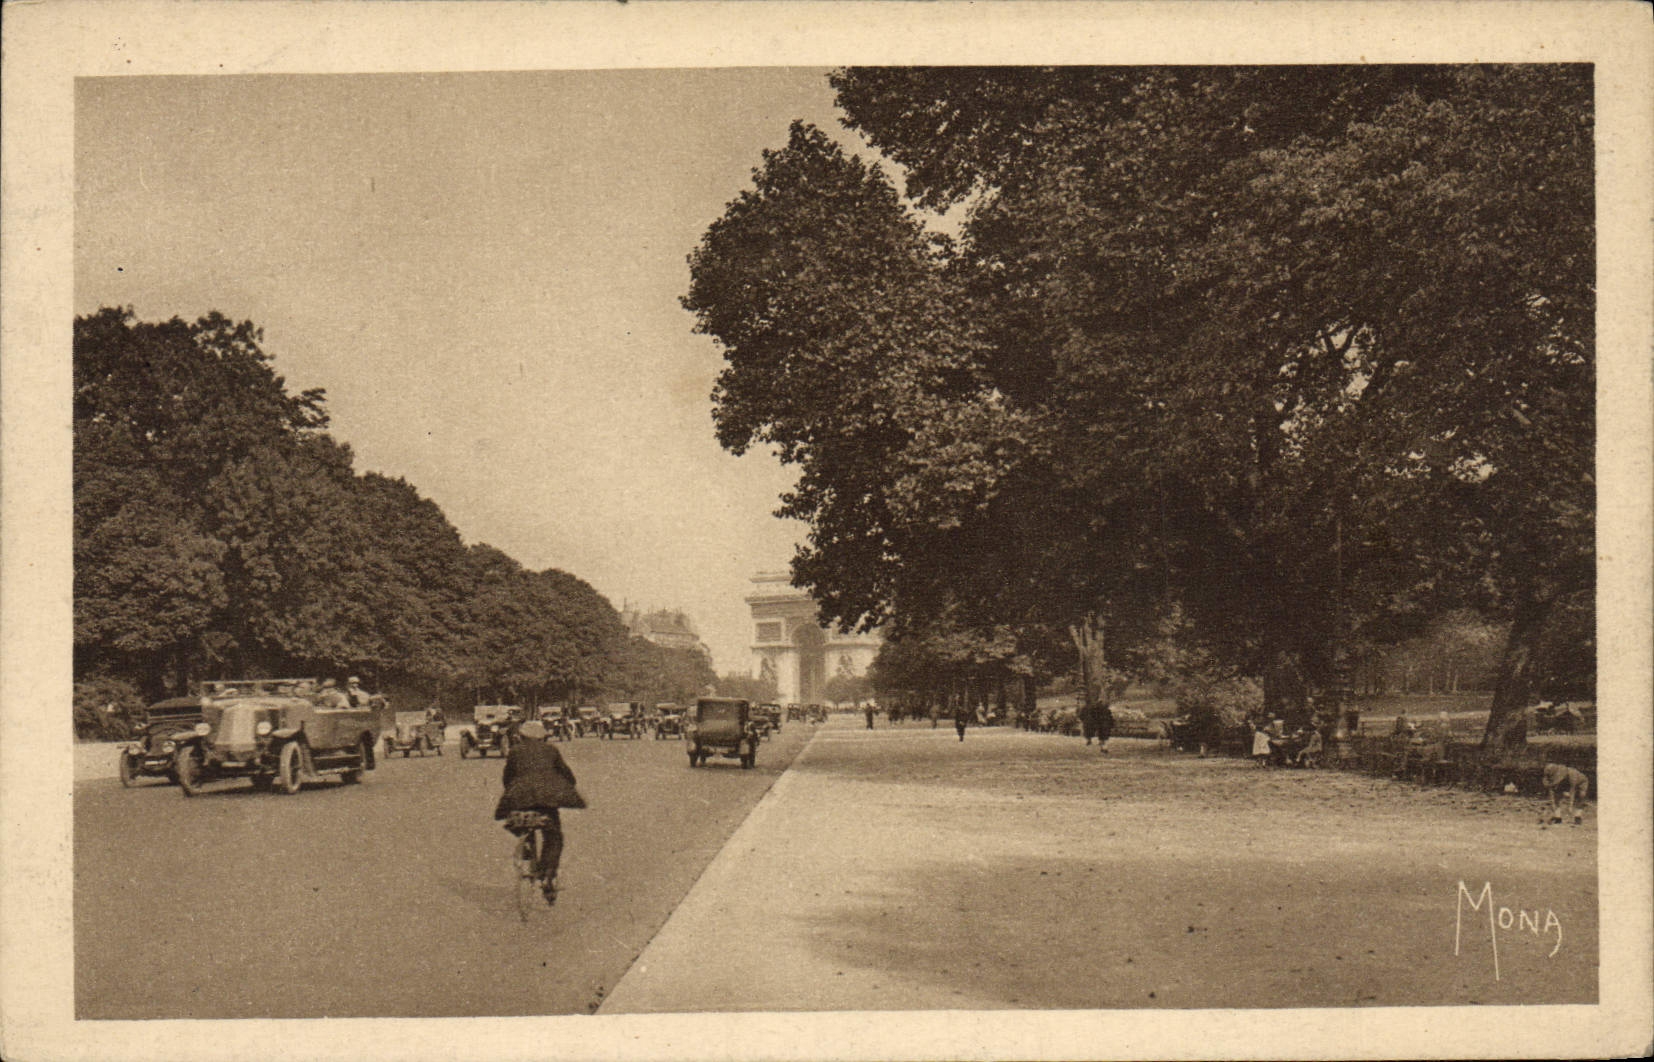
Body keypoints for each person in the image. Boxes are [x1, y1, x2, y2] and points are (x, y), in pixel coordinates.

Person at [495, 720, 586, 904]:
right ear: (542, 736)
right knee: (553, 836)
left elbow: (507, 778)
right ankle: (548, 873)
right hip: (546, 802)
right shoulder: (551, 750)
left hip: (520, 800)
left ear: (521, 736)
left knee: (519, 823)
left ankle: (527, 847)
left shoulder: (515, 752)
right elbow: (567, 775)